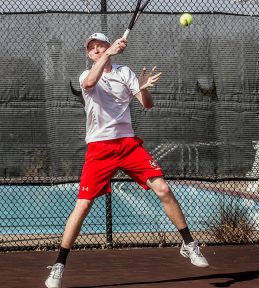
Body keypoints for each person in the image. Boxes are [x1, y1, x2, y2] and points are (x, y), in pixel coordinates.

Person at [45, 33, 209, 288]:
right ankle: (58, 265)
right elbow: (90, 82)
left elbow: (147, 105)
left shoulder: (125, 72)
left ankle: (188, 243)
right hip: (99, 148)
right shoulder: (85, 75)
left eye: (101, 46)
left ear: (108, 46)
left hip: (128, 144)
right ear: (89, 54)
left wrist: (142, 89)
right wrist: (110, 53)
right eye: (93, 48)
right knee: (83, 205)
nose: (97, 50)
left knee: (163, 188)